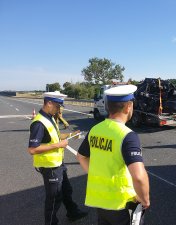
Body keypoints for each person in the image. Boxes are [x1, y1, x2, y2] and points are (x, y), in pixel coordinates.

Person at [77, 84, 150, 225]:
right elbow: (139, 176)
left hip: (100, 202)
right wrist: (145, 199)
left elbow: (81, 157)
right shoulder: (127, 135)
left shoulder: (95, 130)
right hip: (122, 204)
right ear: (128, 106)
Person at [28, 91, 88, 225]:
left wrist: (72, 135)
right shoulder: (39, 123)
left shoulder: (49, 117)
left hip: (58, 163)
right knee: (54, 199)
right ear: (49, 103)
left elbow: (55, 136)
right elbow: (32, 149)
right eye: (57, 106)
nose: (59, 109)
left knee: (66, 190)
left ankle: (73, 213)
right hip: (50, 167)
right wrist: (59, 145)